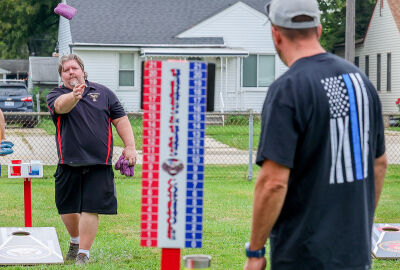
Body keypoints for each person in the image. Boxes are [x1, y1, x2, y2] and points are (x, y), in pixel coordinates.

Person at [244, 0, 387, 269]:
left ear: (276, 33)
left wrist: (255, 253)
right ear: (319, 29)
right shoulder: (361, 81)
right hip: (355, 255)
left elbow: (273, 182)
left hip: (304, 256)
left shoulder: (288, 89)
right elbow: (379, 165)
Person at [46, 54, 137, 265]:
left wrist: (130, 147)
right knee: (66, 208)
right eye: (66, 70)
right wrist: (74, 96)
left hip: (99, 162)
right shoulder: (55, 94)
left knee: (90, 208)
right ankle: (75, 242)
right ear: (61, 76)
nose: (71, 72)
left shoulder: (103, 93)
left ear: (82, 71)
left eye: (74, 68)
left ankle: (83, 254)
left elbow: (120, 119)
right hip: (68, 162)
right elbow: (60, 106)